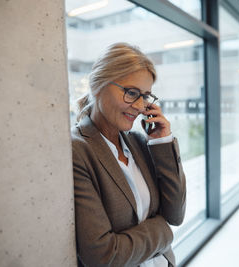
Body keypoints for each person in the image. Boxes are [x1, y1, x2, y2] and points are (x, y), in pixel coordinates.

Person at [71, 43, 186, 267]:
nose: (140, 106)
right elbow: (103, 256)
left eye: (145, 96)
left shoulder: (140, 143)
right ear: (97, 85)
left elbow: (175, 214)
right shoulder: (78, 150)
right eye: (131, 93)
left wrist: (162, 141)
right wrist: (162, 231)